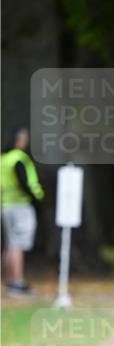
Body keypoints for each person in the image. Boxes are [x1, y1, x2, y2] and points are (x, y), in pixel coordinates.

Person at [1, 127, 44, 296]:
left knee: (11, 244)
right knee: (18, 245)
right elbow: (24, 183)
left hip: (6, 205)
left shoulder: (4, 158)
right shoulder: (19, 158)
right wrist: (36, 200)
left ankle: (10, 281)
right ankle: (17, 282)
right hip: (21, 205)